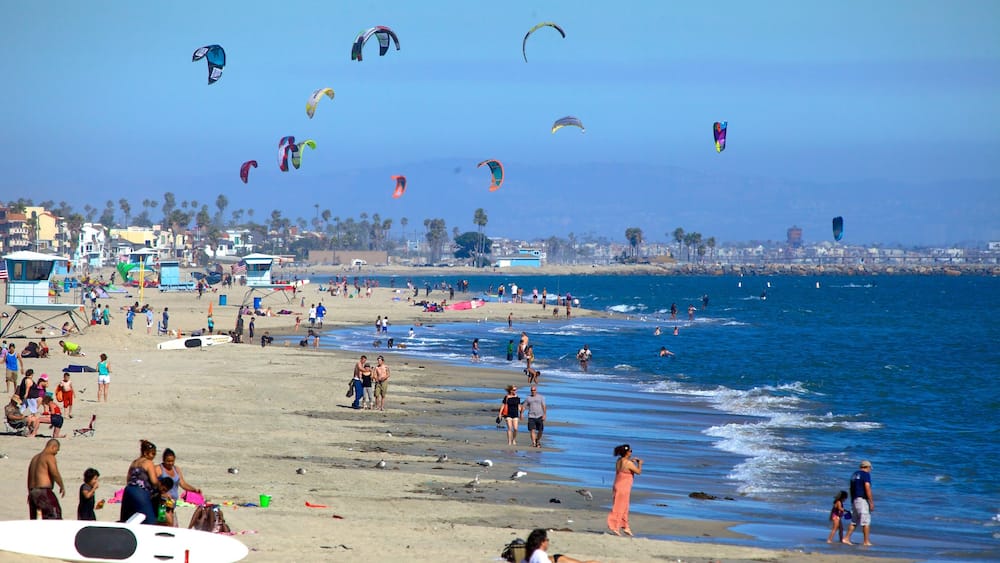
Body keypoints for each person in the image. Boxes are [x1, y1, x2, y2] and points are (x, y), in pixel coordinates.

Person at [154, 448, 201, 525]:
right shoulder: (158, 469)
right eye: (168, 461)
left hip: (172, 504)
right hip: (162, 502)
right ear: (163, 459)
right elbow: (153, 483)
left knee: (166, 524)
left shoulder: (176, 469)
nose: (170, 463)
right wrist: (161, 493)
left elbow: (183, 484)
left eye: (172, 461)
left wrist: (194, 490)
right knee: (166, 523)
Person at [121, 440, 160, 525]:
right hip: (140, 492)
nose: (153, 457)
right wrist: (160, 485)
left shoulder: (134, 462)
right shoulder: (148, 463)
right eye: (152, 454)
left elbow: (128, 479)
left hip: (128, 491)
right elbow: (154, 481)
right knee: (149, 521)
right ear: (145, 453)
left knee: (128, 520)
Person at [607, 444, 642, 536]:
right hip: (623, 487)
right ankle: (614, 526)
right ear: (626, 453)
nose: (631, 452)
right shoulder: (628, 463)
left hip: (618, 485)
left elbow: (624, 466)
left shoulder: (619, 461)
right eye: (630, 451)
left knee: (625, 506)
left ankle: (625, 526)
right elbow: (638, 472)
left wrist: (631, 461)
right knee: (619, 506)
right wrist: (640, 464)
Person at [28, 439, 65, 519]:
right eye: (57, 450)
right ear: (53, 447)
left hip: (32, 491)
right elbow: (55, 473)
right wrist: (61, 485)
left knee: (34, 519)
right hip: (43, 491)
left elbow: (29, 477)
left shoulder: (35, 458)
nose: (56, 453)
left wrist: (29, 493)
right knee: (54, 515)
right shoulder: (49, 456)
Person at [521, 528, 601, 563]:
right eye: (547, 540)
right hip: (558, 560)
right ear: (542, 542)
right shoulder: (540, 554)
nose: (548, 542)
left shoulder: (527, 556)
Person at [844, 460, 874, 546]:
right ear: (867, 467)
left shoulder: (854, 475)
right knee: (866, 521)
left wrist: (852, 499)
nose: (870, 470)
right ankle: (866, 541)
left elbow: (851, 488)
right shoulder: (865, 475)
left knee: (855, 520)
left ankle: (846, 538)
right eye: (870, 468)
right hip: (861, 499)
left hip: (855, 499)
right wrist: (871, 502)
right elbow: (867, 487)